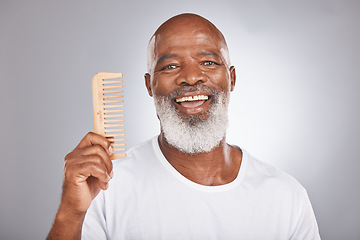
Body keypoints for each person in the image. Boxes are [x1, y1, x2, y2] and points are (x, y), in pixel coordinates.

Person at [47, 13, 321, 239]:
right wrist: (71, 211)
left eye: (208, 62)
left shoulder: (286, 197)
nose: (191, 77)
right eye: (170, 67)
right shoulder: (105, 187)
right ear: (149, 86)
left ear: (232, 79)